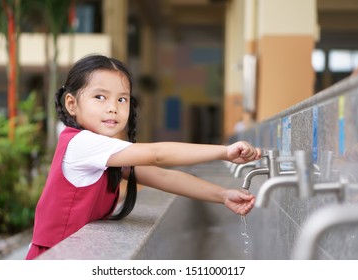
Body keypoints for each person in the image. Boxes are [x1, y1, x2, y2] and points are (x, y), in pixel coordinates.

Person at [25, 54, 261, 260]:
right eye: (100, 97)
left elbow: (163, 176)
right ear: (71, 104)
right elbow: (157, 156)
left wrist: (223, 195)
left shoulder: (106, 151)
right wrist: (224, 152)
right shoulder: (82, 144)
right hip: (55, 260)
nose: (113, 108)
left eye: (122, 99)